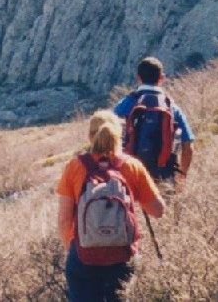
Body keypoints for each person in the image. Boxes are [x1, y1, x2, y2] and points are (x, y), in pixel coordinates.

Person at [57, 111, 165, 301]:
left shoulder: (74, 166)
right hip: (123, 256)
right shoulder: (132, 166)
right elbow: (158, 211)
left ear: (90, 136)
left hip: (83, 258)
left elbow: (64, 220)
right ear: (119, 135)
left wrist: (79, 248)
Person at [112, 57, 195, 185]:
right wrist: (182, 176)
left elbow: (105, 137)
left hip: (129, 174)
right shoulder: (171, 107)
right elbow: (188, 145)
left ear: (138, 78)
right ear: (162, 78)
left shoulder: (125, 104)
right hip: (163, 175)